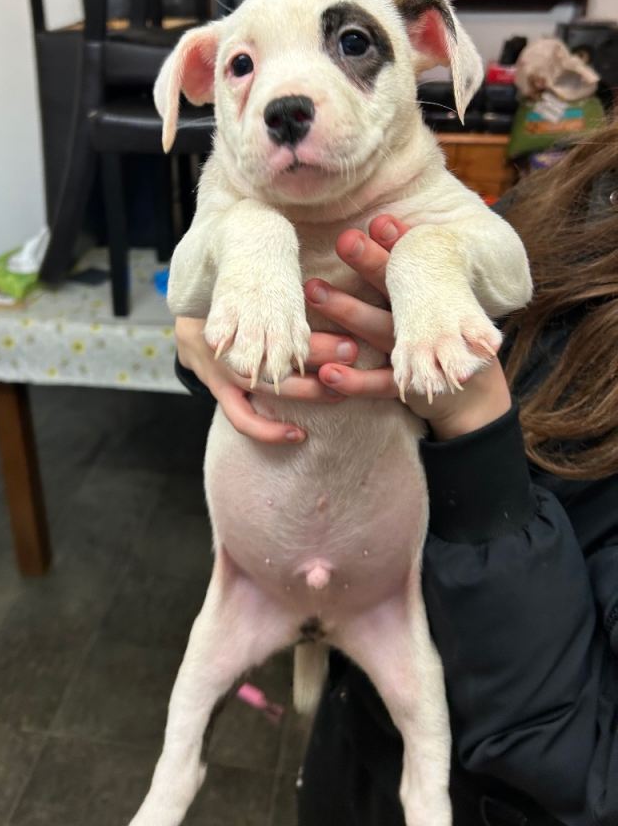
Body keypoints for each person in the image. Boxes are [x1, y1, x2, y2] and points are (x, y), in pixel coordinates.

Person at [174, 125, 618, 826]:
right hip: (353, 730)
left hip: (480, 777)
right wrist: (220, 329)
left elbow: (584, 764)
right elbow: (471, 262)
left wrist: (474, 432)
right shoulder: (585, 182)